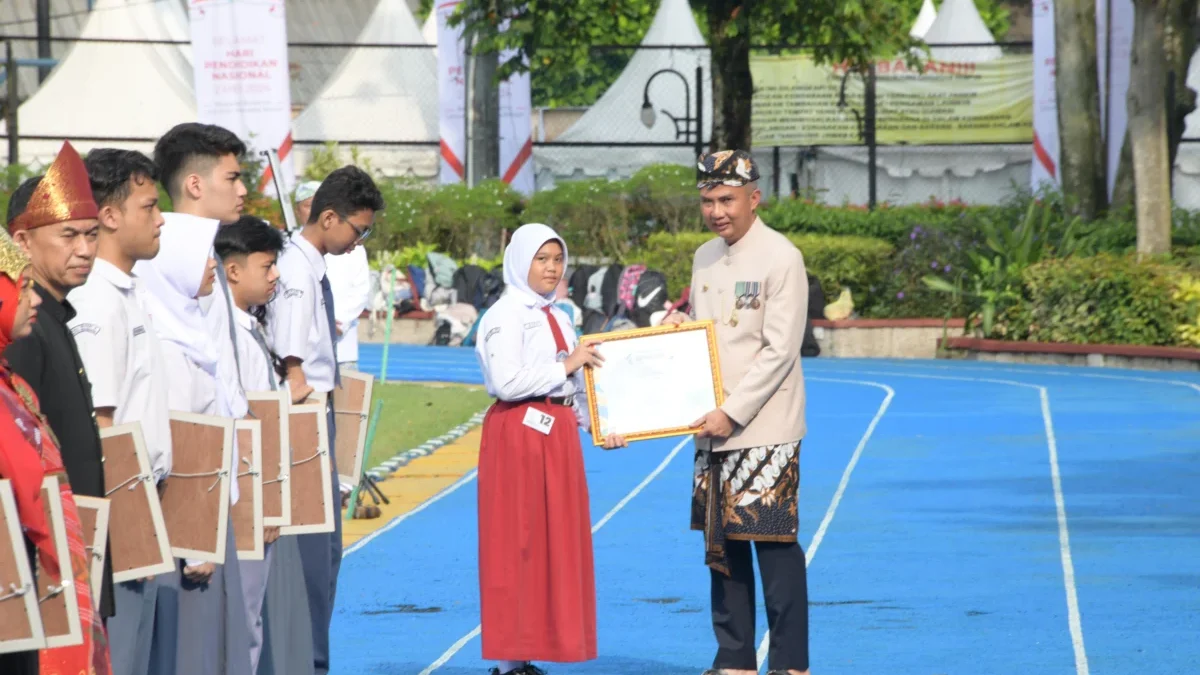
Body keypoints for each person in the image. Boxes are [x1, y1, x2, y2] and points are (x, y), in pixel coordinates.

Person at [663, 150, 810, 675]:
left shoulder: (781, 256)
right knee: (720, 548)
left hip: (764, 426)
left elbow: (780, 349)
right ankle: (735, 659)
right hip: (711, 428)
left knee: (772, 544)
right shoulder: (705, 257)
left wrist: (733, 411)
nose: (717, 210)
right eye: (708, 200)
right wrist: (676, 333)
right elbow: (707, 335)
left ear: (754, 198)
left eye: (726, 199)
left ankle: (790, 664)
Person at [472, 223, 626, 675]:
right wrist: (566, 363)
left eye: (557, 259)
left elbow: (577, 388)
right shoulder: (503, 315)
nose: (551, 268)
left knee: (553, 545)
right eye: (542, 259)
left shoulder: (558, 314)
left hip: (556, 436)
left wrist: (603, 428)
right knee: (513, 545)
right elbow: (507, 381)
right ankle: (506, 663)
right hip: (518, 435)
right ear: (520, 261)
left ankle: (528, 655)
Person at [265, 165, 383, 675]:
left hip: (319, 413)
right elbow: (293, 361)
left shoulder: (311, 265)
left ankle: (312, 659)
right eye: (358, 230)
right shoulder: (294, 270)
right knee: (314, 557)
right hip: (302, 419)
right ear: (328, 217)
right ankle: (307, 663)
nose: (359, 243)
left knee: (326, 554)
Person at [133, 212, 254, 675]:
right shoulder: (171, 348)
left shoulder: (190, 331)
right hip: (182, 532)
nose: (213, 267)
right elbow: (181, 447)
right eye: (204, 255)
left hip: (200, 519)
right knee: (188, 652)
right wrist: (197, 542)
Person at [72, 148, 175, 675]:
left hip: (145, 503)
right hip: (121, 513)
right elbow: (101, 425)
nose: (161, 221)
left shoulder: (129, 290)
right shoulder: (97, 299)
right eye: (150, 207)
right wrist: (126, 531)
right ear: (110, 215)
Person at [4, 141, 116, 626]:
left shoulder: (54, 319)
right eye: (69, 235)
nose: (86, 250)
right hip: (41, 570)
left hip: (72, 558)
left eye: (92, 235)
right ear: (22, 243)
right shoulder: (25, 334)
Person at [213, 215, 315, 675]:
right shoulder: (227, 331)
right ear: (233, 270)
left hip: (256, 485)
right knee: (243, 617)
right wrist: (264, 503)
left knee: (250, 615)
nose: (275, 276)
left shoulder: (250, 325)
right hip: (246, 492)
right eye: (267, 266)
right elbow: (245, 419)